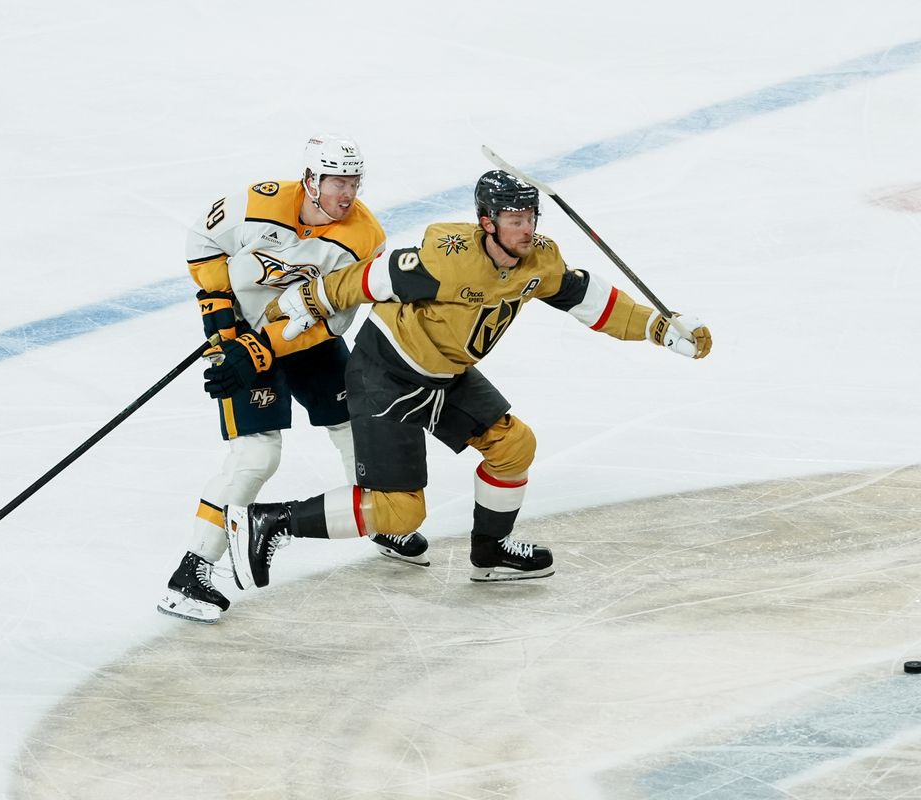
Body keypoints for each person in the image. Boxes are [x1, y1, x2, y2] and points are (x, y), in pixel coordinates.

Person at [223, 169, 713, 590]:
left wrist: (658, 327)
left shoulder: (538, 260)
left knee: (513, 445)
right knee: (401, 513)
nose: (526, 231)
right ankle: (271, 522)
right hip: (385, 375)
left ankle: (491, 552)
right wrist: (307, 300)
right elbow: (368, 279)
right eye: (515, 222)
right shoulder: (447, 258)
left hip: (446, 374)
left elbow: (588, 299)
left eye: (531, 220)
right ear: (487, 223)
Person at [157, 134, 430, 624]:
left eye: (353, 181)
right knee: (258, 454)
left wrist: (272, 345)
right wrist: (218, 311)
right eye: (336, 181)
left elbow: (339, 317)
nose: (347, 193)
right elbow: (202, 239)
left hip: (306, 336)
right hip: (241, 335)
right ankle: (191, 570)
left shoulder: (364, 238)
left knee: (354, 422)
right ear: (311, 179)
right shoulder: (259, 202)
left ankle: (381, 519)